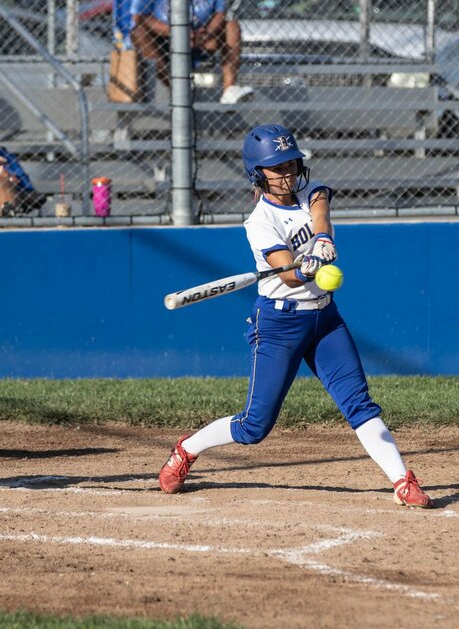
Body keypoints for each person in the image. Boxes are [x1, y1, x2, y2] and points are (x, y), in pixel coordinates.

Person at [158, 123, 433, 509]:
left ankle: (402, 480)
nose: (287, 174)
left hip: (325, 320)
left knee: (359, 403)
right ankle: (187, 449)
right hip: (279, 324)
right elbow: (287, 275)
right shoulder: (259, 222)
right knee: (255, 426)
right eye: (277, 168)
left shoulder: (308, 191)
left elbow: (320, 206)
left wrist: (322, 240)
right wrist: (306, 269)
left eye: (290, 164)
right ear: (258, 174)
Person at [130, 0, 254, 105]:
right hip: (164, 40)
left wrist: (207, 32)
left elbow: (220, 11)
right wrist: (177, 32)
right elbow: (140, 17)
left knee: (231, 25)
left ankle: (229, 89)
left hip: (202, 37)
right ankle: (177, 89)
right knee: (139, 32)